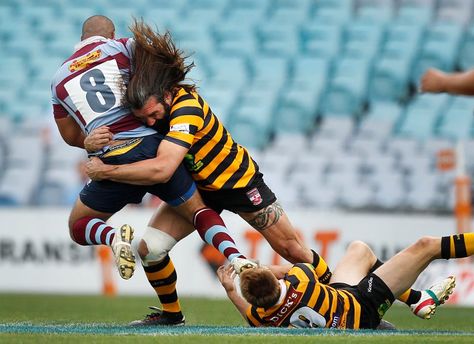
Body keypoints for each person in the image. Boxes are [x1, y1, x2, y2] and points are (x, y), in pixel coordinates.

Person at [83, 19, 443, 325]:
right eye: (144, 119)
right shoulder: (153, 106)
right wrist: (91, 142)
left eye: (151, 115)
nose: (148, 123)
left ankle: (399, 297)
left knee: (295, 252)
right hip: (199, 189)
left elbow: (163, 166)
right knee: (150, 248)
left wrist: (105, 171)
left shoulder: (187, 107)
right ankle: (170, 314)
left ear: (165, 95)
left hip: (238, 183)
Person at [51, 15, 257, 326]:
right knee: (197, 211)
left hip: (111, 158)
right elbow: (161, 75)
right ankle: (236, 257)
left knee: (79, 225)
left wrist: (88, 140)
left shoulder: (58, 79)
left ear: (79, 40)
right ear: (109, 34)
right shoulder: (123, 48)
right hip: (152, 149)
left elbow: (70, 137)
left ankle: (113, 238)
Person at [216, 232, 467, 329]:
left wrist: (230, 289)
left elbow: (248, 313)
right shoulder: (302, 280)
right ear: (273, 278)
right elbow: (301, 266)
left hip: (340, 304)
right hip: (361, 306)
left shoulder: (261, 316)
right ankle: (416, 298)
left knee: (359, 250)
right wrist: (255, 267)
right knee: (426, 246)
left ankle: (416, 299)